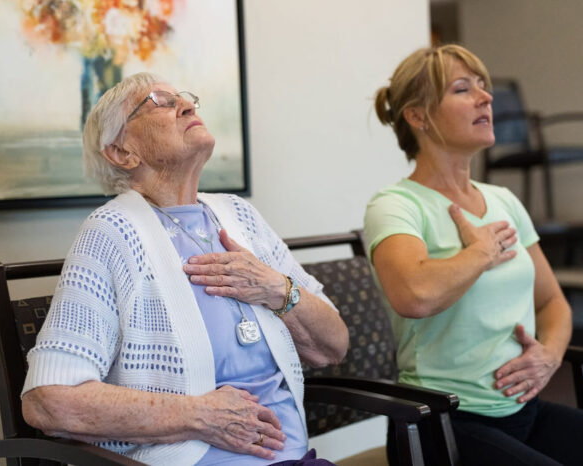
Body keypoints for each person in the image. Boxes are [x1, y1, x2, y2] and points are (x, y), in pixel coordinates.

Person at [21, 72, 349, 465]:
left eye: (185, 98)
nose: (188, 105)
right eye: (159, 101)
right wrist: (200, 416)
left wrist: (276, 288)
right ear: (122, 152)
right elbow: (49, 401)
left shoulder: (240, 215)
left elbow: (334, 345)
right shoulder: (111, 233)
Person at [364, 44, 583, 465]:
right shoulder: (396, 205)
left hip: (524, 411)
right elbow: (413, 295)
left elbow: (552, 303)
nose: (486, 97)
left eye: (483, 87)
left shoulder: (503, 200)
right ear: (417, 117)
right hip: (443, 425)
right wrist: (481, 253)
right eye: (462, 89)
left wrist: (549, 356)